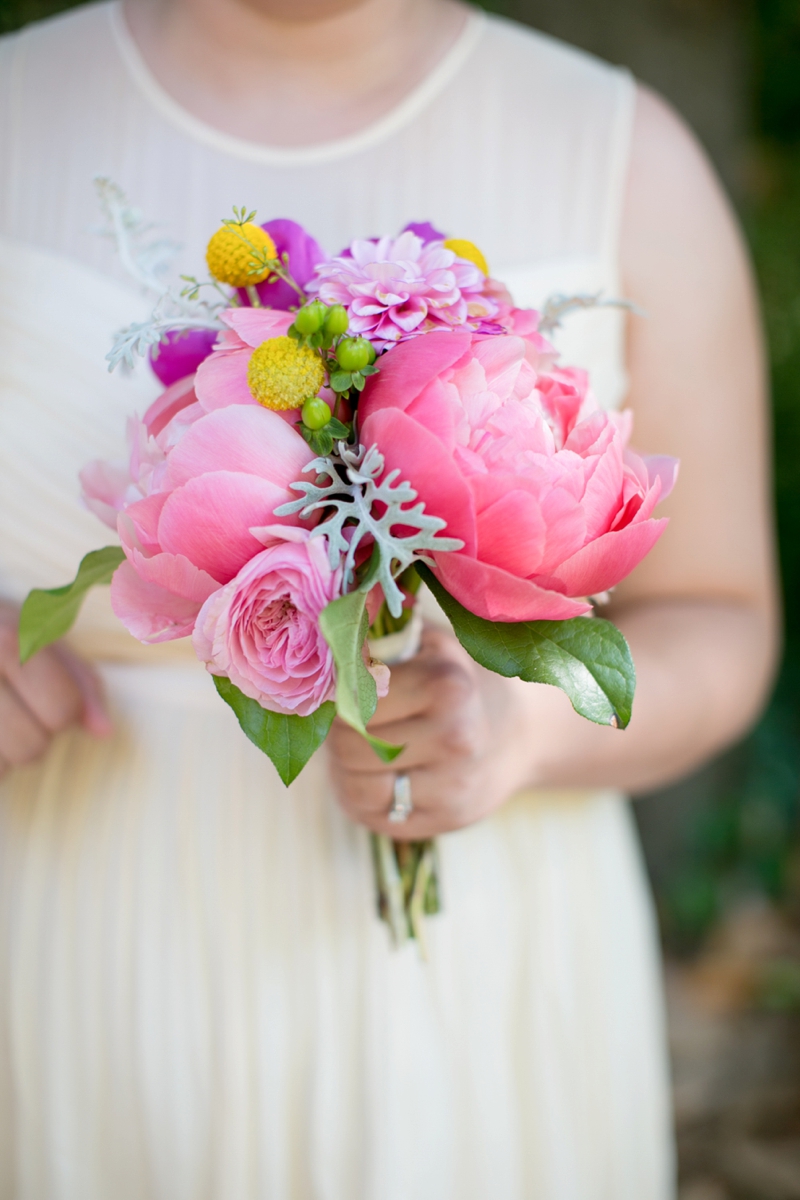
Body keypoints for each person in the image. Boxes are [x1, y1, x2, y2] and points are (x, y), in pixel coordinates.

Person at [0, 0, 777, 1196]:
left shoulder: (622, 154)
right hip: (68, 930)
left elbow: (720, 613)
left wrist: (520, 728)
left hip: (471, 978)